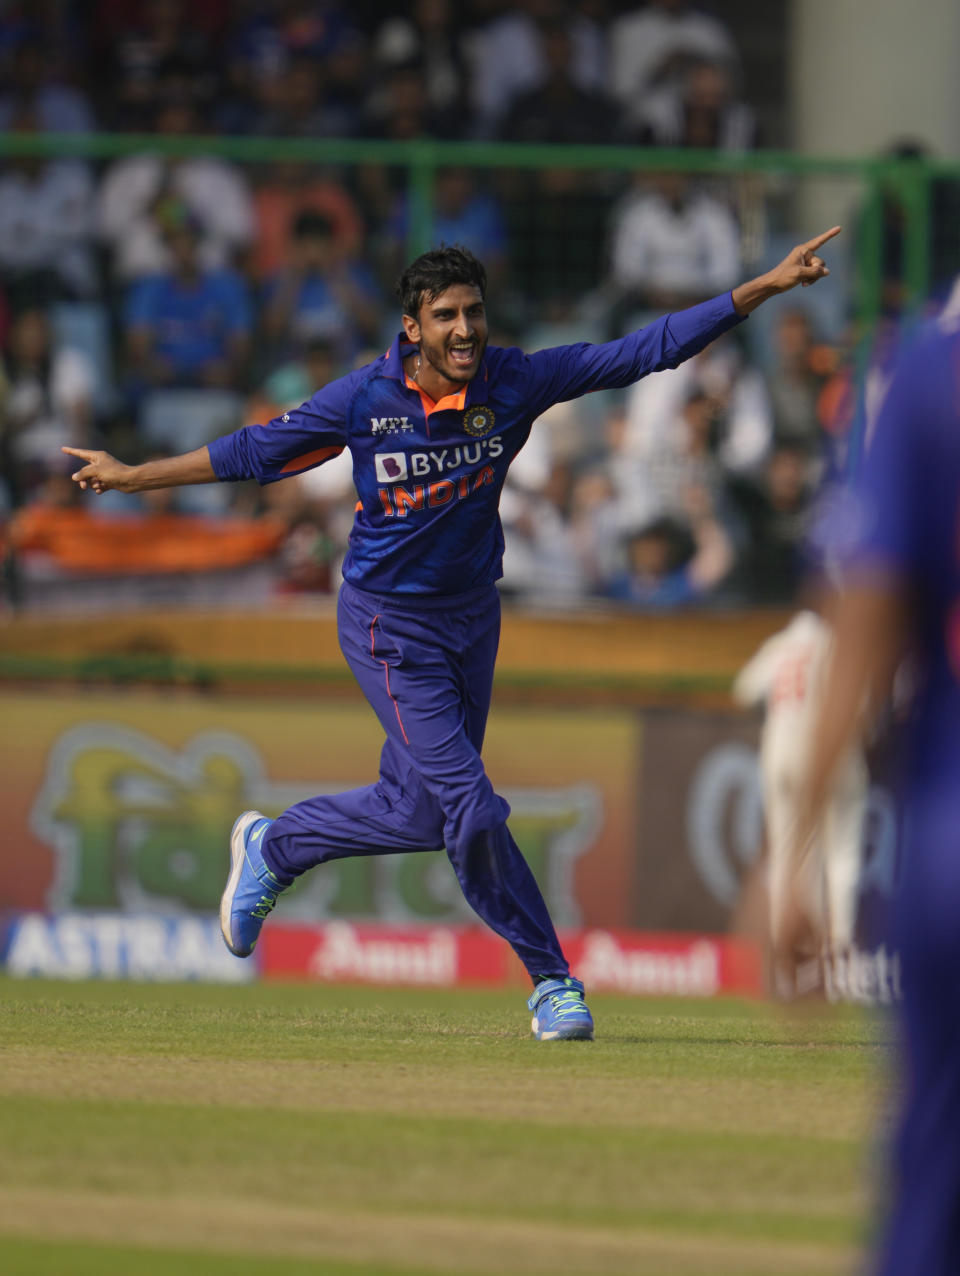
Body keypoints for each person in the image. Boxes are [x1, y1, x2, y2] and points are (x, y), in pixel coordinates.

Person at [62, 232, 840, 1041]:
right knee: (468, 804)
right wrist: (130, 475)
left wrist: (762, 288)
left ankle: (277, 845)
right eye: (445, 317)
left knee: (419, 812)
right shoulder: (367, 400)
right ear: (412, 328)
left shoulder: (517, 380)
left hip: (472, 617)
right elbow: (255, 452)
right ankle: (552, 982)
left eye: (473, 312)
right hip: (386, 625)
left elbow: (645, 351)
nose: (464, 329)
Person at [777, 311, 960, 1271]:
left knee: (930, 1191)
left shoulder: (931, 375)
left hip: (949, 846)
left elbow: (869, 619)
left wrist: (791, 857)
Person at [733, 610, 868, 993]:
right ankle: (844, 970)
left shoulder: (782, 643)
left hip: (781, 753)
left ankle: (783, 973)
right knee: (843, 855)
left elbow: (744, 690)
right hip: (832, 748)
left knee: (788, 858)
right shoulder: (840, 640)